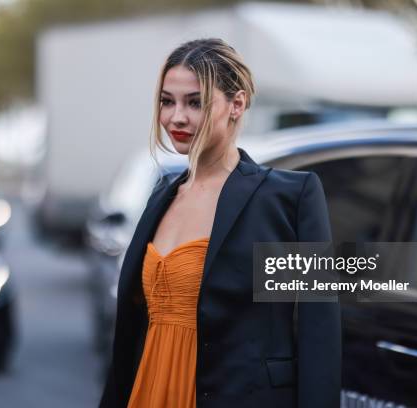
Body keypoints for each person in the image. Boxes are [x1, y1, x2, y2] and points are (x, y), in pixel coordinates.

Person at [100, 38, 340, 408]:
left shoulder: (286, 200)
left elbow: (318, 333)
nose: (176, 117)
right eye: (167, 101)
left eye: (195, 102)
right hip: (146, 391)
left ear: (237, 104)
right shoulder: (162, 195)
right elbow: (132, 331)